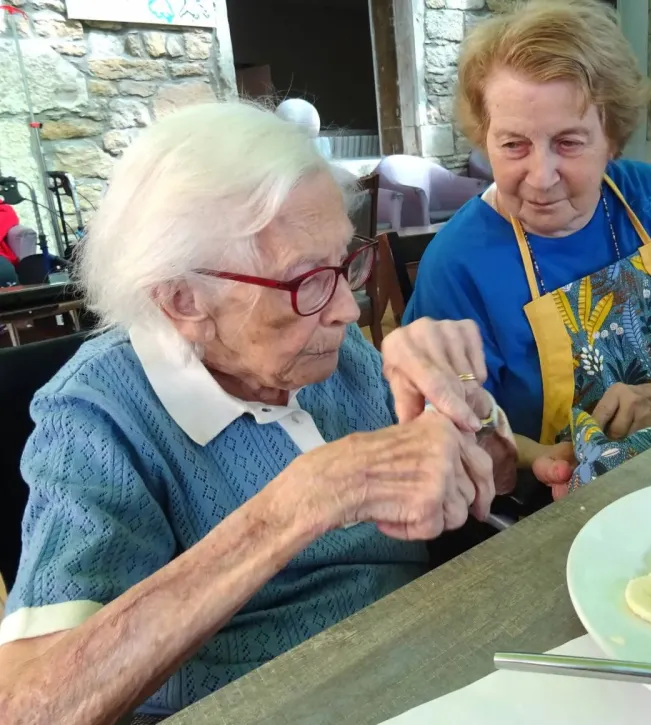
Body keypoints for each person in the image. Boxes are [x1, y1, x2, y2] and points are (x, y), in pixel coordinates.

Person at [0, 102, 517, 724]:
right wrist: (297, 505)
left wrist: (465, 413)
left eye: (345, 263)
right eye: (305, 281)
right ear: (184, 299)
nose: (350, 311)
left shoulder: (328, 346)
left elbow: (491, 486)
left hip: (430, 668)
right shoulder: (97, 415)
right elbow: (29, 706)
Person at [402, 0, 651, 498]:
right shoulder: (456, 265)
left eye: (569, 142)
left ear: (612, 137)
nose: (541, 176)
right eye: (513, 145)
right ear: (484, 140)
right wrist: (541, 461)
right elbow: (462, 433)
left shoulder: (650, 198)